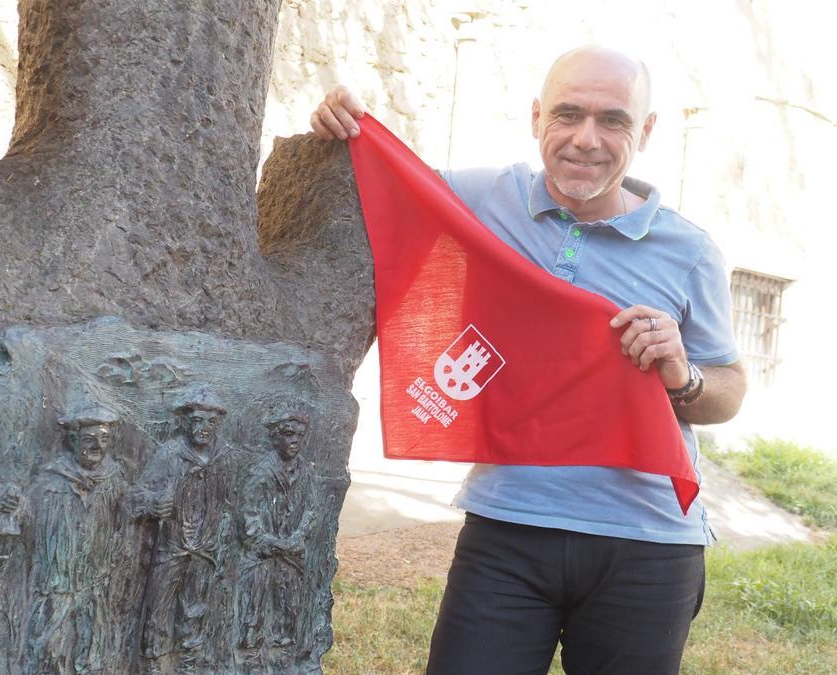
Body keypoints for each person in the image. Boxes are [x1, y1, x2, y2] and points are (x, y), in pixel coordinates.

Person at [311, 45, 747, 674]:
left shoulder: (690, 250)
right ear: (538, 117)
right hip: (508, 527)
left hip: (648, 544)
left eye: (614, 120)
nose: (586, 140)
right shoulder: (485, 197)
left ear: (645, 132)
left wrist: (683, 372)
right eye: (568, 114)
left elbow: (729, 392)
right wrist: (336, 125)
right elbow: (383, 181)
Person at [130, 386, 234, 674]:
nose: (204, 428)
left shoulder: (223, 458)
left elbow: (230, 503)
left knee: (195, 611)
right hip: (172, 549)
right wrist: (153, 504)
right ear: (186, 422)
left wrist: (221, 535)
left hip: (204, 551)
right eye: (198, 421)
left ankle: (188, 667)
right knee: (158, 611)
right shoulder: (170, 454)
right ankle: (151, 665)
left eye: (211, 422)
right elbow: (136, 497)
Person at [24, 401, 125, 674]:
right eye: (90, 439)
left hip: (95, 579)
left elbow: (125, 519)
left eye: (104, 439)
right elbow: (25, 523)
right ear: (72, 439)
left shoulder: (113, 479)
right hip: (58, 582)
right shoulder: (50, 481)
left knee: (93, 645)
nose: (98, 447)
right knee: (48, 645)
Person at [237, 404, 318, 667]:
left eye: (299, 435)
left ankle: (282, 659)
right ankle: (249, 662)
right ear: (275, 437)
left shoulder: (306, 471)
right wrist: (266, 541)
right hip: (263, 555)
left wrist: (299, 535)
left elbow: (312, 509)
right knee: (254, 612)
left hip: (292, 556)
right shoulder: (262, 470)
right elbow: (248, 512)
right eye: (287, 434)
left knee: (288, 610)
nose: (294, 441)